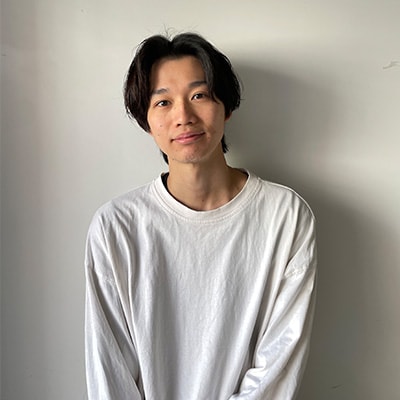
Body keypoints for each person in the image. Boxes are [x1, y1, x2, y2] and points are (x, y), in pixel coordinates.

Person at [85, 32, 317, 400]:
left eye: (199, 95)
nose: (183, 117)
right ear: (146, 120)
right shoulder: (116, 226)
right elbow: (109, 369)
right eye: (163, 102)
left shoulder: (285, 216)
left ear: (227, 107)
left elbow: (279, 363)